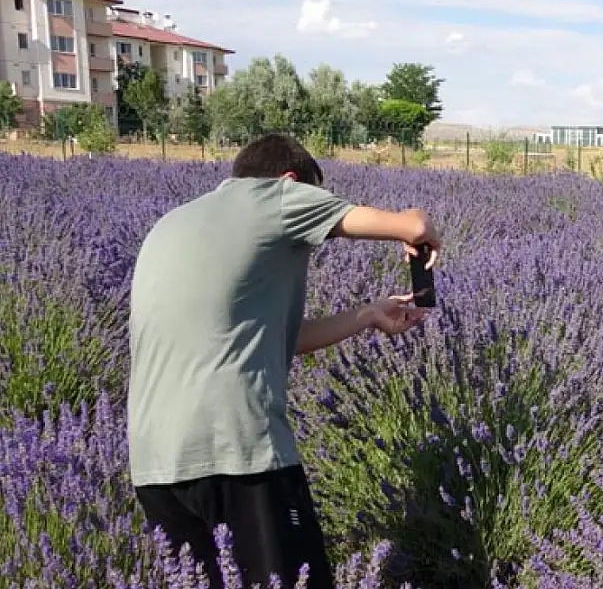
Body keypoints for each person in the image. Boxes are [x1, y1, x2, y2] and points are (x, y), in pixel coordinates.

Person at [126, 133, 442, 589]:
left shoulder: (173, 222)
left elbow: (277, 340)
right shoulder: (275, 198)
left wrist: (369, 315)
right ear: (291, 182)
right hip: (235, 451)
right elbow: (412, 225)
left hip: (156, 464)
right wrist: (416, 233)